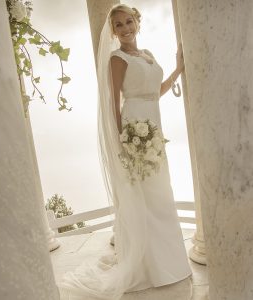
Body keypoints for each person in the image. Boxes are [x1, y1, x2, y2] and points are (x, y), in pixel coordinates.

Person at [58, 4, 192, 300]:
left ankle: (169, 263)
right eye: (118, 25)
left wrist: (178, 69)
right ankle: (149, 266)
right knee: (144, 196)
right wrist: (122, 140)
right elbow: (113, 104)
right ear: (114, 32)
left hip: (154, 129)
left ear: (137, 23)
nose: (125, 28)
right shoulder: (116, 59)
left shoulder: (148, 56)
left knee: (159, 193)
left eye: (128, 21)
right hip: (134, 131)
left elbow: (155, 92)